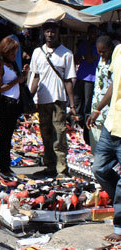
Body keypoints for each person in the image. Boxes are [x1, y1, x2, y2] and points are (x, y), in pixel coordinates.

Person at [29, 19, 77, 178]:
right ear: (44, 33)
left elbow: (68, 80)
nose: (50, 34)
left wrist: (72, 104)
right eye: (47, 31)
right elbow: (35, 77)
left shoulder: (66, 53)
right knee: (46, 135)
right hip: (42, 100)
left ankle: (61, 170)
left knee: (59, 135)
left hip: (59, 100)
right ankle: (50, 166)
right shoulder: (37, 52)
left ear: (58, 33)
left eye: (53, 31)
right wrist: (29, 98)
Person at [89, 43, 121, 242]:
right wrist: (98, 108)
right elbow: (113, 84)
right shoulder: (118, 50)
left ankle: (119, 228)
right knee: (99, 168)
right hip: (111, 125)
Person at [0, 36, 28, 177]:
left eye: (15, 53)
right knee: (4, 137)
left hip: (14, 103)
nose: (14, 56)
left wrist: (24, 74)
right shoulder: (0, 65)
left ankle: (6, 166)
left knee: (8, 137)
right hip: (6, 103)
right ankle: (4, 167)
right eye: (12, 53)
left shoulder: (12, 64)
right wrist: (16, 81)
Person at [86, 36, 114, 151]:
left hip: (107, 107)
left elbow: (112, 88)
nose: (101, 54)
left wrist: (98, 109)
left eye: (104, 51)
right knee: (96, 140)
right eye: (99, 52)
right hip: (96, 104)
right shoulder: (100, 60)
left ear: (110, 48)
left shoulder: (114, 62)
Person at [74, 25, 99, 143]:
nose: (92, 35)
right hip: (81, 76)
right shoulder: (84, 44)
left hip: (91, 78)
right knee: (77, 101)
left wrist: (89, 44)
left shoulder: (97, 46)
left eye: (94, 33)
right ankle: (77, 122)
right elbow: (77, 57)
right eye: (91, 32)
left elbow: (89, 59)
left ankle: (86, 130)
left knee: (87, 105)